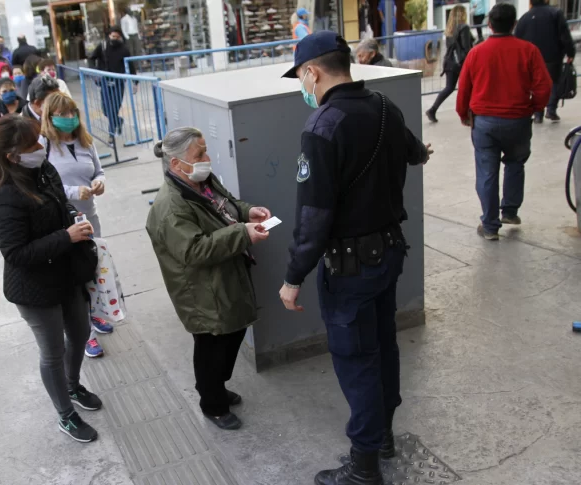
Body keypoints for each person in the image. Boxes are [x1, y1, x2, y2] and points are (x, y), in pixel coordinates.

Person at [279, 31, 430, 485]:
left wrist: (292, 277)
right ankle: (382, 435)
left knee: (356, 359)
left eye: (302, 77)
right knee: (383, 346)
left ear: (313, 72)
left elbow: (313, 217)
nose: (303, 86)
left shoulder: (322, 126)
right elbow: (415, 153)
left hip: (349, 268)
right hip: (388, 255)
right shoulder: (385, 107)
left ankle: (364, 467)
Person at [146, 127, 272, 431]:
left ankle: (215, 386)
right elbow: (194, 249)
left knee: (232, 332)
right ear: (176, 164)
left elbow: (225, 206)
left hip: (223, 277)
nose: (207, 158)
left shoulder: (200, 180)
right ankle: (212, 403)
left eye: (205, 150)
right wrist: (241, 233)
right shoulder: (171, 207)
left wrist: (246, 212)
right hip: (200, 290)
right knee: (212, 344)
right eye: (199, 154)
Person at [0, 114, 102, 443]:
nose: (41, 147)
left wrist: (73, 218)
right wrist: (66, 237)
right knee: (51, 352)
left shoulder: (43, 170)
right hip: (35, 290)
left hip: (66, 273)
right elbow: (16, 254)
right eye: (33, 144)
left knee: (79, 333)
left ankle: (72, 385)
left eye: (39, 140)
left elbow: (60, 204)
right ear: (12, 156)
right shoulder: (6, 197)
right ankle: (65, 415)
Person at [456, 3, 552, 240]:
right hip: (518, 120)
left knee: (487, 172)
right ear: (514, 24)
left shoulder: (476, 52)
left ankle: (489, 226)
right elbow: (544, 85)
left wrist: (463, 114)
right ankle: (509, 210)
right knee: (515, 164)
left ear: (489, 25)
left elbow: (464, 88)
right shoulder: (528, 51)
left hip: (485, 123)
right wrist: (535, 107)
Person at [40, 92, 112, 355]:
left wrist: (99, 182)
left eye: (72, 113)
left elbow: (99, 171)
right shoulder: (43, 145)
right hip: (63, 223)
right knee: (76, 276)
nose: (69, 118)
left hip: (89, 216)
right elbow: (44, 186)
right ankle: (86, 335)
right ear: (50, 117)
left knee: (93, 267)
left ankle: (95, 315)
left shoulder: (85, 141)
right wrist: (72, 192)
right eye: (63, 114)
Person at [515, 0, 575, 123]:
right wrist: (570, 52)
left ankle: (538, 113)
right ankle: (551, 109)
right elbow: (564, 34)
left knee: (536, 84)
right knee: (554, 82)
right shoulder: (555, 13)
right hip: (553, 55)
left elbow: (517, 38)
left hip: (531, 58)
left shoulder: (524, 18)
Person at [88, 28, 138, 142]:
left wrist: (136, 82)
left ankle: (111, 133)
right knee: (106, 110)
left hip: (119, 82)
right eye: (113, 36)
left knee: (114, 108)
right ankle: (118, 121)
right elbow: (91, 58)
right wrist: (95, 72)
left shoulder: (124, 49)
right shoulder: (103, 46)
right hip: (105, 82)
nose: (115, 39)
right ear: (109, 35)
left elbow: (131, 66)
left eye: (117, 37)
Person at [426, 5, 473, 123]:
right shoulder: (464, 28)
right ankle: (470, 113)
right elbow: (466, 48)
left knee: (449, 87)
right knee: (470, 87)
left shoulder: (449, 29)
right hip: (461, 63)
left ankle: (432, 109)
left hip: (450, 62)